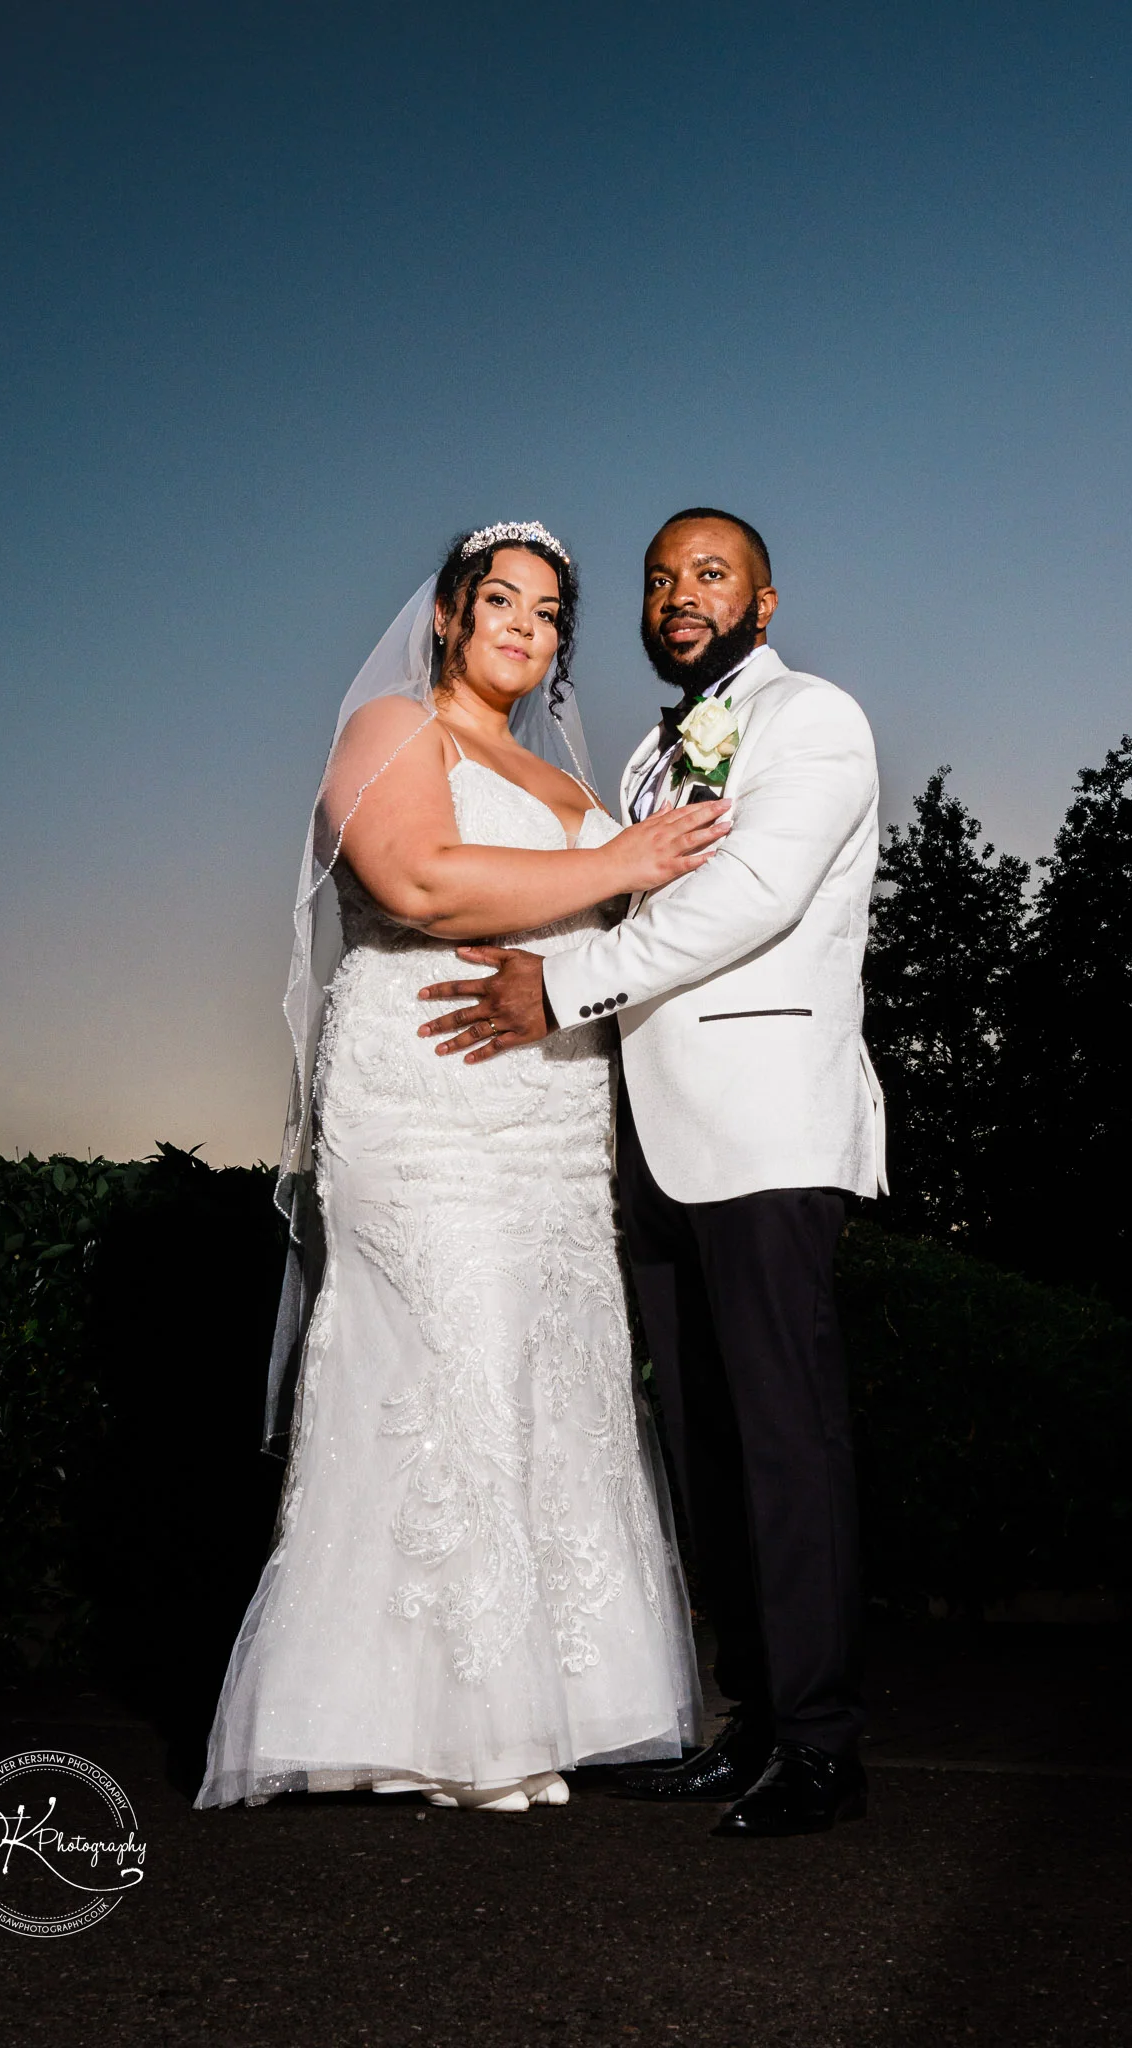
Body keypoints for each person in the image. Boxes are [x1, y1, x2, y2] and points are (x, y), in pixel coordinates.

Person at [197, 521, 725, 1814]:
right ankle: (450, 1731)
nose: (525, 627)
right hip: (428, 1095)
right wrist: (620, 862)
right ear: (447, 613)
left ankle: (559, 1707)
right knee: (453, 1370)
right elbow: (418, 879)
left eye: (549, 613)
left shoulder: (559, 778)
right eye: (502, 600)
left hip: (550, 1119)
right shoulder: (391, 729)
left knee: (556, 1382)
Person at [419, 508, 886, 1838]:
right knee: (711, 1443)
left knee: (787, 1442)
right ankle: (750, 1726)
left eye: (711, 575)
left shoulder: (816, 721)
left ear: (766, 600)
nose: (681, 594)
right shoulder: (645, 753)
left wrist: (556, 986)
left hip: (766, 1133)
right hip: (653, 1140)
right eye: (661, 579)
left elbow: (753, 897)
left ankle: (821, 1747)